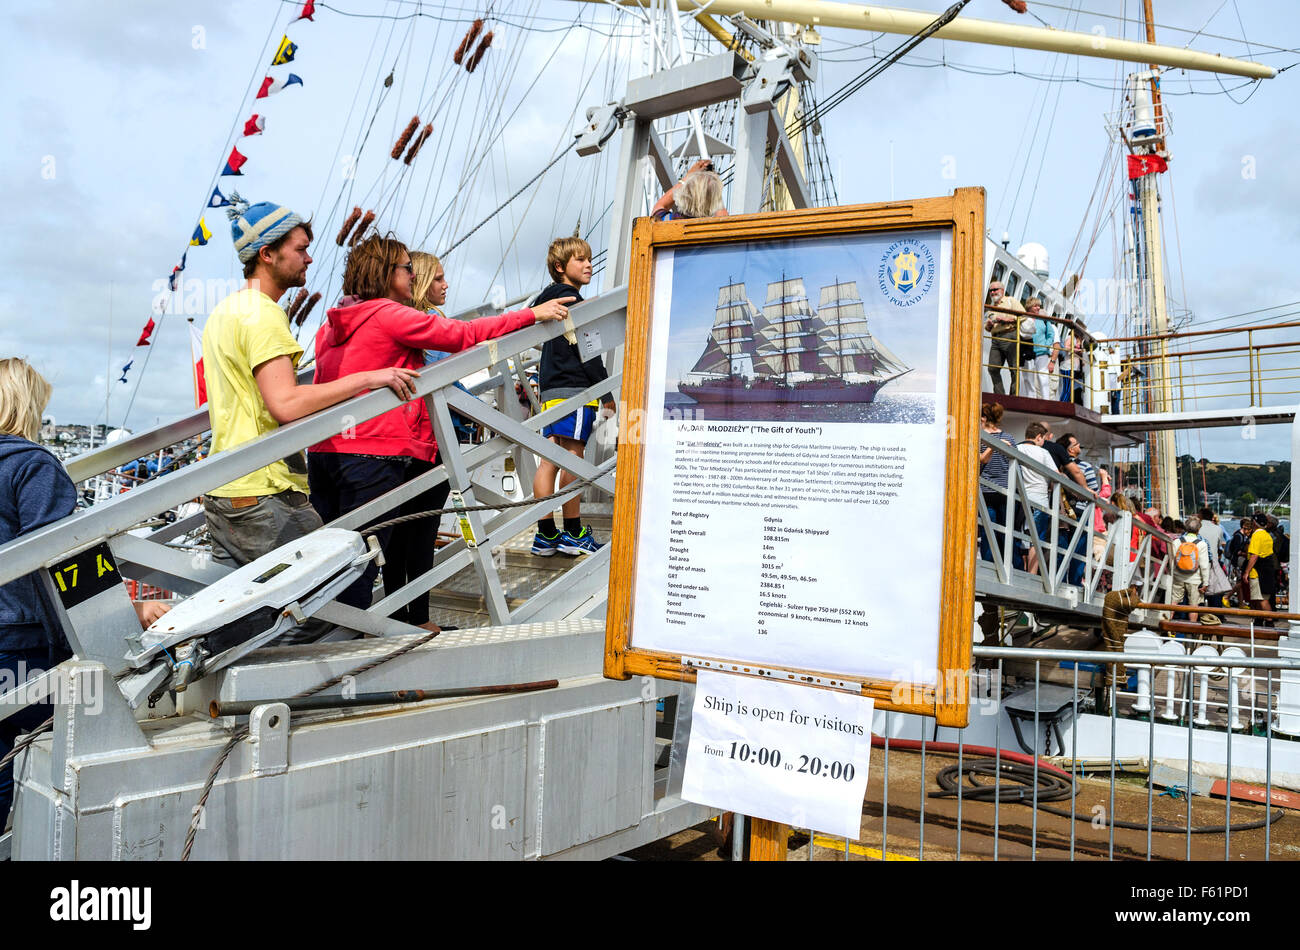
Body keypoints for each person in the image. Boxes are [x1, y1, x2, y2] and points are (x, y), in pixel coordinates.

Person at [310, 235, 573, 621]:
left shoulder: (331, 327)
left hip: (325, 453)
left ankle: (325, 643)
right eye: (407, 268)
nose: (412, 274)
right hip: (374, 456)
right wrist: (532, 315)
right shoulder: (388, 315)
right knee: (359, 567)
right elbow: (463, 337)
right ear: (386, 273)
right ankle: (341, 658)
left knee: (330, 564)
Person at [202, 196, 419, 570]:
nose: (309, 258)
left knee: (244, 621)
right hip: (266, 491)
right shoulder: (263, 314)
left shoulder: (226, 311)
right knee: (330, 598)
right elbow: (285, 404)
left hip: (225, 488)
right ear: (267, 254)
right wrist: (365, 378)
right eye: (300, 249)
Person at [0, 359, 170, 826]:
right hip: (19, 643)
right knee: (81, 737)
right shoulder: (32, 466)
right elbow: (61, 563)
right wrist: (127, 611)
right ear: (27, 405)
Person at [530, 235, 615, 556]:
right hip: (576, 389)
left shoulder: (545, 303)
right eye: (580, 259)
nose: (589, 264)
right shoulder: (575, 304)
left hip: (551, 389)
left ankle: (546, 534)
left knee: (550, 458)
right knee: (573, 456)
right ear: (560, 267)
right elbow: (589, 352)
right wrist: (606, 393)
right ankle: (574, 532)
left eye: (589, 258)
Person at [1016, 421, 1058, 576]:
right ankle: (1031, 574)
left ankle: (1021, 570)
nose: (1044, 443)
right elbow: (1056, 476)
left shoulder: (1017, 448)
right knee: (1036, 538)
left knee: (1021, 536)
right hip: (1040, 500)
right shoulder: (1043, 453)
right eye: (1044, 439)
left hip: (1020, 498)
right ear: (1039, 437)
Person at [977, 402, 1017, 562]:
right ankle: (1004, 566)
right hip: (1001, 490)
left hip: (990, 491)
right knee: (1003, 532)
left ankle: (992, 565)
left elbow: (981, 460)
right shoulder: (1008, 438)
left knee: (990, 531)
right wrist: (996, 446)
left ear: (983, 417)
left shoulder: (979, 437)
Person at [1166, 515, 1211, 622]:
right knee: (1193, 606)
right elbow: (1204, 566)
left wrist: (1172, 574)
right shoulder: (1202, 544)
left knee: (1173, 603)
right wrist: (1205, 583)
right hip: (1194, 579)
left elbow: (1171, 561)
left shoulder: (1177, 541)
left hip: (1178, 577)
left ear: (1186, 528)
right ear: (1199, 529)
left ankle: (1167, 626)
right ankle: (1192, 632)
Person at [650, 159, 729, 220]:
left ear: (683, 194)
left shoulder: (666, 220)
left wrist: (687, 177)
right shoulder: (717, 229)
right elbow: (723, 218)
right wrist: (713, 189)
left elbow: (660, 206)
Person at [983, 280, 1024, 396]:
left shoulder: (1011, 301)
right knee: (992, 368)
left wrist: (1009, 319)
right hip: (995, 339)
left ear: (1002, 290)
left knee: (1014, 369)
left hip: (1010, 335)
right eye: (991, 290)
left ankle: (1013, 396)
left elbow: (1024, 316)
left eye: (995, 289)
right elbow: (987, 327)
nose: (993, 292)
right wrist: (989, 326)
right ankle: (999, 395)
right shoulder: (991, 309)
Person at [1244, 510, 1278, 616]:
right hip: (1267, 570)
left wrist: (1246, 572)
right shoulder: (1267, 535)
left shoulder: (1256, 535)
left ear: (1254, 523)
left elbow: (1254, 556)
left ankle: (1268, 620)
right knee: (1262, 598)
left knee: (1261, 599)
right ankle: (1261, 619)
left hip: (1257, 572)